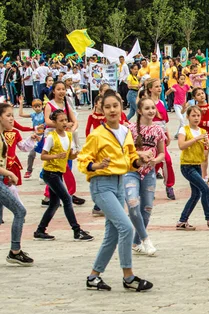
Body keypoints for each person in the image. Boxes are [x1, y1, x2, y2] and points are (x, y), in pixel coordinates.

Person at [77, 89, 154, 292]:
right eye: (107, 107)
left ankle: (93, 277)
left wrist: (139, 160)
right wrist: (96, 166)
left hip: (119, 184)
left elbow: (130, 159)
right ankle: (128, 277)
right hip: (102, 185)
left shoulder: (126, 131)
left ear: (122, 107)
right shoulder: (96, 135)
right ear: (101, 110)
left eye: (115, 106)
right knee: (127, 228)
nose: (112, 110)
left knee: (112, 235)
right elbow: (83, 160)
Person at [35, 109, 94, 242]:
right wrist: (56, 156)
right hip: (50, 173)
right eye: (61, 121)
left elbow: (70, 155)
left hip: (58, 172)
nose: (64, 123)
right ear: (54, 122)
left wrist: (75, 154)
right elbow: (43, 156)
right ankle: (76, 230)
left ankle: (40, 230)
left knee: (54, 203)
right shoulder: (51, 137)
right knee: (67, 199)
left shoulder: (68, 136)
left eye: (65, 120)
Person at [125, 97, 166, 256]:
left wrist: (155, 160)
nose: (151, 111)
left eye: (153, 108)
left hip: (149, 172)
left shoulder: (158, 130)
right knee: (133, 204)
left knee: (147, 208)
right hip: (131, 171)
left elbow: (162, 152)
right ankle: (146, 239)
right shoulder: (130, 129)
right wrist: (140, 153)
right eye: (147, 108)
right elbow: (125, 151)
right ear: (139, 110)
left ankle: (135, 242)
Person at [175, 105, 209, 231]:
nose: (196, 118)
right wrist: (195, 139)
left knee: (196, 194)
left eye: (198, 115)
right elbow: (181, 145)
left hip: (197, 165)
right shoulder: (184, 130)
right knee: (205, 189)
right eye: (193, 115)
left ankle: (182, 221)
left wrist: (207, 143)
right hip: (187, 165)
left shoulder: (203, 131)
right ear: (187, 117)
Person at [0, 103, 34, 265]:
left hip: (3, 180)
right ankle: (15, 251)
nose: (12, 118)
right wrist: (8, 173)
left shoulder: (5, 135)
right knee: (20, 211)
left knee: (19, 211)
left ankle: (15, 251)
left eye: (12, 115)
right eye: (8, 115)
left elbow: (22, 147)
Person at [42, 81, 84, 206]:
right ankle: (68, 193)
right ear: (53, 91)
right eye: (58, 89)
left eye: (63, 89)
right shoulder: (50, 104)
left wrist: (71, 128)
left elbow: (75, 121)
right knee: (59, 167)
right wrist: (61, 124)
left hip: (65, 137)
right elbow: (47, 121)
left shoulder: (67, 104)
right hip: (53, 138)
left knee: (64, 167)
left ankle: (49, 196)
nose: (61, 91)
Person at [146, 78, 176, 200]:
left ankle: (169, 186)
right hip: (150, 137)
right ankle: (148, 187)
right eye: (156, 86)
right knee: (152, 162)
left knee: (166, 160)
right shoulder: (147, 103)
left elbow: (164, 122)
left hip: (161, 136)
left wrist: (167, 134)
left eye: (160, 86)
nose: (159, 88)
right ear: (150, 89)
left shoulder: (162, 103)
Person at [186, 88, 209, 181]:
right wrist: (208, 123)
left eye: (202, 93)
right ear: (195, 98)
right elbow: (195, 122)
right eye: (198, 94)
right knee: (202, 156)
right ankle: (202, 175)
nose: (202, 95)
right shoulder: (195, 109)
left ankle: (204, 174)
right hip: (198, 133)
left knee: (205, 156)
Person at [20, 98, 45, 179]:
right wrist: (21, 103)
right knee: (31, 154)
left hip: (43, 137)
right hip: (34, 136)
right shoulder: (33, 115)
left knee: (45, 155)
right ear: (33, 107)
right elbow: (21, 114)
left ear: (42, 106)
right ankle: (29, 170)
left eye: (39, 106)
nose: (37, 108)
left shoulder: (45, 114)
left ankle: (46, 171)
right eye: (35, 106)